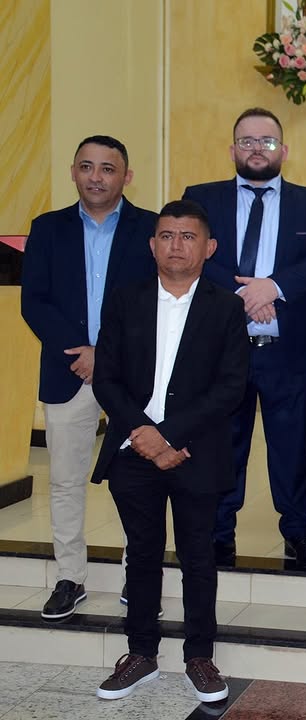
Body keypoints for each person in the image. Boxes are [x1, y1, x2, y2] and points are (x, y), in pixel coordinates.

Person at [91, 200, 248, 702]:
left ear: (209, 247)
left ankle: (199, 656)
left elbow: (231, 387)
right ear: (152, 244)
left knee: (199, 555)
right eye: (166, 236)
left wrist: (171, 436)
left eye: (187, 236)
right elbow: (106, 377)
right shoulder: (125, 300)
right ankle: (140, 654)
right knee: (141, 554)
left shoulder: (226, 308)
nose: (175, 245)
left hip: (195, 451)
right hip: (133, 449)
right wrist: (143, 432)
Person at [183, 108, 306, 569]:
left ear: (284, 151)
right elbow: (189, 253)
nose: (257, 149)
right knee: (221, 446)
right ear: (232, 149)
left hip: (289, 352)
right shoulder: (200, 199)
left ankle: (298, 532)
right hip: (221, 352)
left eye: (267, 141)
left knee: (291, 449)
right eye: (247, 141)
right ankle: (218, 534)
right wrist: (244, 294)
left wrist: (273, 287)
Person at [21, 135, 157, 620]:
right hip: (68, 370)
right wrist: (81, 353)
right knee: (64, 480)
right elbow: (34, 301)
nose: (96, 177)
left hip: (132, 375)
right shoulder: (47, 228)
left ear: (127, 176)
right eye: (86, 167)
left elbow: (157, 299)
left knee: (140, 481)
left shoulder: (151, 228)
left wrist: (107, 355)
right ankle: (69, 576)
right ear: (73, 172)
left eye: (107, 168)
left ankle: (138, 577)